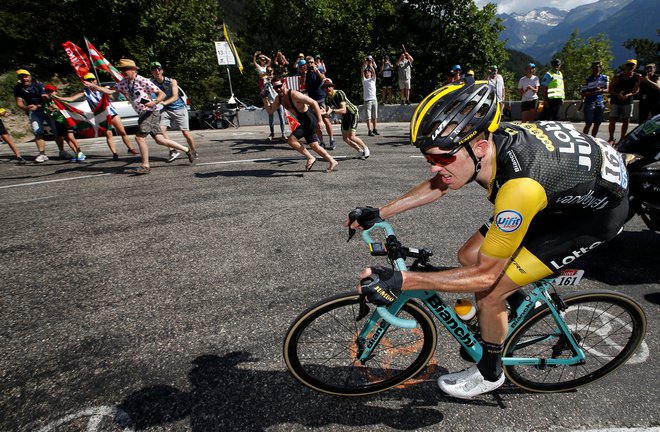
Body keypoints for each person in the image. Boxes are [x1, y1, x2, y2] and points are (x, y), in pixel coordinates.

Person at [351, 79, 629, 399]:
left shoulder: (518, 190)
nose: (434, 166)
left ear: (479, 147)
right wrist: (380, 212)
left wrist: (402, 280)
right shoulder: (487, 146)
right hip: (566, 187)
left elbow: (486, 275)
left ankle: (490, 372)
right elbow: (438, 184)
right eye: (430, 157)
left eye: (442, 158)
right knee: (469, 254)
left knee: (490, 291)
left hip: (592, 217)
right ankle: (517, 308)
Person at [84, 59, 194, 175]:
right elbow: (109, 91)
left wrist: (154, 102)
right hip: (143, 113)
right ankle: (188, 150)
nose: (124, 72)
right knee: (159, 140)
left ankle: (145, 166)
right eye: (122, 70)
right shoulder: (124, 82)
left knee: (139, 138)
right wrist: (95, 87)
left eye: (126, 69)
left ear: (133, 70)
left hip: (150, 111)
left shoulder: (142, 80)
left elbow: (162, 94)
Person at [263, 78, 338, 173]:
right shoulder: (279, 98)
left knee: (291, 140)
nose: (278, 89)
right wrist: (264, 98)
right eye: (275, 87)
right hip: (304, 121)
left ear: (284, 84)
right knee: (314, 145)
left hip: (310, 120)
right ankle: (332, 161)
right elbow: (270, 111)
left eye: (279, 86)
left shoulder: (294, 94)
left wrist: (320, 121)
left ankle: (310, 157)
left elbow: (314, 102)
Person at [59, 73, 139, 160]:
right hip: (101, 116)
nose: (91, 82)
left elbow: (112, 98)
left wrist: (106, 92)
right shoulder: (85, 91)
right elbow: (71, 99)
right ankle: (114, 153)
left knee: (122, 132)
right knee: (108, 134)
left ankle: (130, 148)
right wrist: (57, 98)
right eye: (89, 80)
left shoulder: (102, 89)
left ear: (95, 80)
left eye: (92, 79)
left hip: (111, 112)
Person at [13, 69, 70, 163]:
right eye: (21, 77)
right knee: (37, 131)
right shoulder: (18, 88)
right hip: (34, 111)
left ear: (30, 77)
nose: (24, 78)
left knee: (56, 131)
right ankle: (42, 153)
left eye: (25, 76)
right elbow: (19, 102)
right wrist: (26, 107)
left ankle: (62, 151)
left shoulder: (38, 85)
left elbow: (45, 97)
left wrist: (39, 105)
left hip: (46, 109)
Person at [149, 62, 198, 161]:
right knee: (161, 131)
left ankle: (193, 150)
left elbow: (175, 96)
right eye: (154, 69)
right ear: (152, 72)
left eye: (158, 69)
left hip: (179, 108)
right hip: (166, 110)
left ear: (162, 70)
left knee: (185, 133)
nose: (157, 71)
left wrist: (164, 102)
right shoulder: (151, 83)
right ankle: (172, 151)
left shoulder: (171, 81)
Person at [323, 78, 370, 159]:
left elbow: (344, 110)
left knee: (351, 136)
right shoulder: (327, 99)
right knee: (345, 138)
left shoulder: (339, 93)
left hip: (352, 113)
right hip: (345, 116)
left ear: (332, 87)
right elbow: (328, 111)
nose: (328, 89)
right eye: (325, 87)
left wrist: (332, 111)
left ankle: (366, 148)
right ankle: (359, 151)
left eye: (329, 86)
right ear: (323, 89)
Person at [42, 84, 85, 162]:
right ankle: (76, 152)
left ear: (55, 92)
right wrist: (49, 110)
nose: (49, 93)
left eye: (51, 91)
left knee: (70, 136)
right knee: (66, 138)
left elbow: (67, 106)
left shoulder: (59, 100)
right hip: (58, 121)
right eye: (47, 91)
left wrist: (57, 107)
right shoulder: (46, 102)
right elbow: (47, 114)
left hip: (66, 120)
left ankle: (80, 152)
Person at [607, 59, 641, 146]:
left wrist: (628, 95)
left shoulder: (637, 77)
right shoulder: (617, 76)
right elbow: (610, 90)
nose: (630, 67)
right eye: (628, 65)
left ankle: (622, 138)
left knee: (626, 119)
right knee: (612, 119)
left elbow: (636, 90)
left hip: (628, 100)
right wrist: (617, 94)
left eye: (632, 65)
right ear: (625, 66)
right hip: (616, 100)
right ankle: (611, 137)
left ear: (635, 67)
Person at [304, 56, 334, 149]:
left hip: (321, 99)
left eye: (311, 62)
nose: (310, 64)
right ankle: (322, 142)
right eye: (308, 63)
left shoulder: (318, 71)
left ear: (314, 63)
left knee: (325, 120)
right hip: (312, 101)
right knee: (316, 123)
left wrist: (317, 71)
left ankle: (331, 140)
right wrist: (305, 73)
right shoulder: (306, 73)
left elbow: (324, 79)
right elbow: (302, 84)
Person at [580, 61, 609, 137]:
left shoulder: (604, 78)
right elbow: (583, 93)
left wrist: (601, 91)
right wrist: (593, 93)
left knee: (597, 123)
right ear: (591, 68)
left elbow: (608, 89)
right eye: (594, 67)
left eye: (597, 67)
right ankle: (584, 138)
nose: (596, 69)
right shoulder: (586, 79)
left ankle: (593, 138)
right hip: (589, 102)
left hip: (600, 102)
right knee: (588, 123)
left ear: (600, 68)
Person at [261, 66, 286, 141]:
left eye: (271, 70)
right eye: (268, 71)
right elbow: (265, 91)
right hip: (271, 101)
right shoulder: (265, 80)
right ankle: (272, 133)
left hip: (278, 100)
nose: (270, 72)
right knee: (271, 118)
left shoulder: (276, 79)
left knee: (281, 117)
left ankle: (283, 134)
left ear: (273, 71)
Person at [361, 61, 379, 136]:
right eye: (366, 72)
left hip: (374, 99)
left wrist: (371, 65)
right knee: (368, 116)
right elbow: (362, 71)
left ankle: (375, 129)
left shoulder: (373, 80)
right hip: (367, 100)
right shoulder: (364, 80)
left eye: (369, 72)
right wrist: (365, 64)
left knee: (375, 116)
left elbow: (374, 73)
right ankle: (369, 130)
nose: (367, 73)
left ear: (371, 74)